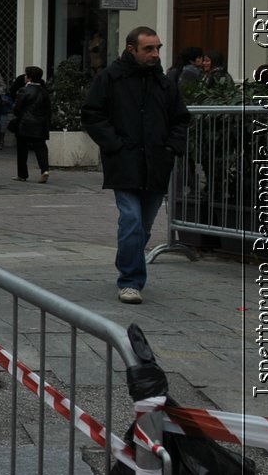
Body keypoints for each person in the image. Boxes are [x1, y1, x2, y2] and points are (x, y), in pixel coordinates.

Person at [81, 26, 190, 304]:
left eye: (158, 48)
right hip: (124, 162)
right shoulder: (110, 78)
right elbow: (92, 114)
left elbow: (180, 119)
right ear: (132, 49)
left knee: (143, 224)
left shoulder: (164, 83)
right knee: (131, 219)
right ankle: (130, 281)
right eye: (148, 49)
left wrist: (171, 147)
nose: (155, 54)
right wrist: (115, 144)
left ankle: (127, 261)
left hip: (156, 162)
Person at [10, 65, 52, 183]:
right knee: (41, 148)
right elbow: (48, 110)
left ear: (28, 77)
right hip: (40, 124)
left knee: (22, 150)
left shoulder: (23, 90)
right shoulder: (44, 92)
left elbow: (17, 109)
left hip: (25, 123)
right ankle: (45, 170)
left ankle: (22, 174)